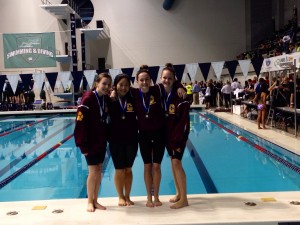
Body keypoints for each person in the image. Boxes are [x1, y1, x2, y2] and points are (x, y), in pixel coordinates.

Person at [130, 65, 185, 207]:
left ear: (151, 80)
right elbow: (119, 88)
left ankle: (156, 197)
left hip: (160, 134)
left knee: (157, 167)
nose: (144, 82)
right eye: (141, 80)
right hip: (143, 136)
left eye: (147, 79)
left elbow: (170, 81)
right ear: (137, 81)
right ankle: (149, 198)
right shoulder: (134, 93)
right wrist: (112, 92)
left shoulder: (157, 89)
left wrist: (180, 86)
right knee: (147, 166)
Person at [74, 73, 112, 212]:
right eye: (104, 84)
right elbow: (79, 122)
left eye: (109, 84)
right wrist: (82, 144)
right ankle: (89, 201)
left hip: (101, 141)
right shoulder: (88, 98)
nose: (106, 87)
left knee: (99, 170)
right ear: (97, 83)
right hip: (89, 142)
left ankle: (96, 200)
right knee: (93, 171)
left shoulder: (105, 99)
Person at [160, 63, 190, 209]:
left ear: (174, 79)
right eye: (164, 78)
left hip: (178, 137)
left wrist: (177, 141)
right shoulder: (161, 92)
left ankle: (184, 199)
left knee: (176, 163)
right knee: (173, 162)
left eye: (170, 78)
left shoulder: (180, 95)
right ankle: (178, 193)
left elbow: (183, 122)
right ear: (161, 78)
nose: (167, 80)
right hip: (168, 136)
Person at [108, 74, 138, 206]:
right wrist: (111, 93)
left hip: (131, 139)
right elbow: (94, 91)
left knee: (128, 169)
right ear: (115, 85)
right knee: (119, 169)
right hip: (115, 140)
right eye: (121, 84)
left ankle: (127, 196)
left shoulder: (133, 98)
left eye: (126, 85)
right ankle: (120, 196)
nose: (124, 87)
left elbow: (149, 88)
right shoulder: (110, 99)